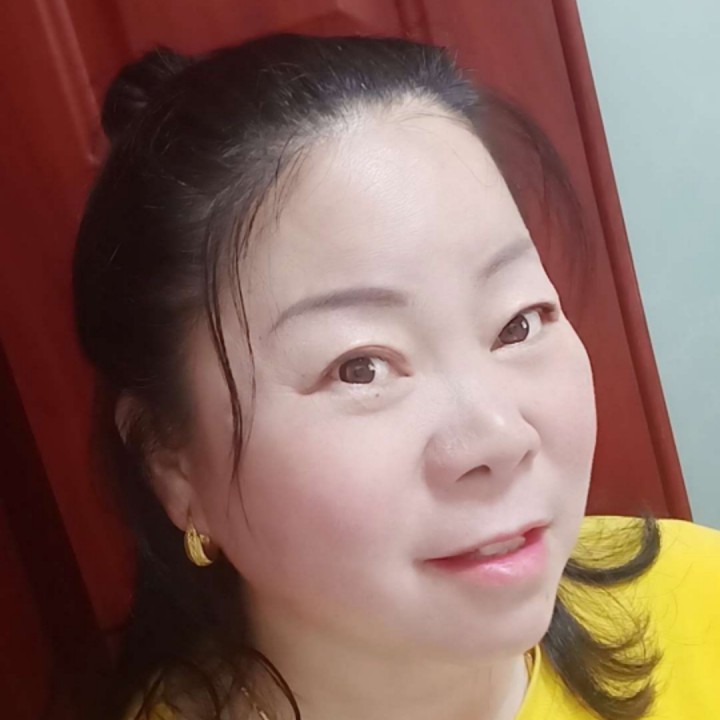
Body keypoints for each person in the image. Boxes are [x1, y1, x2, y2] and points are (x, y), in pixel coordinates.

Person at [72, 33, 720, 720]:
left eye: (518, 324)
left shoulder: (696, 599)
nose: (500, 438)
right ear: (171, 459)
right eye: (361, 368)